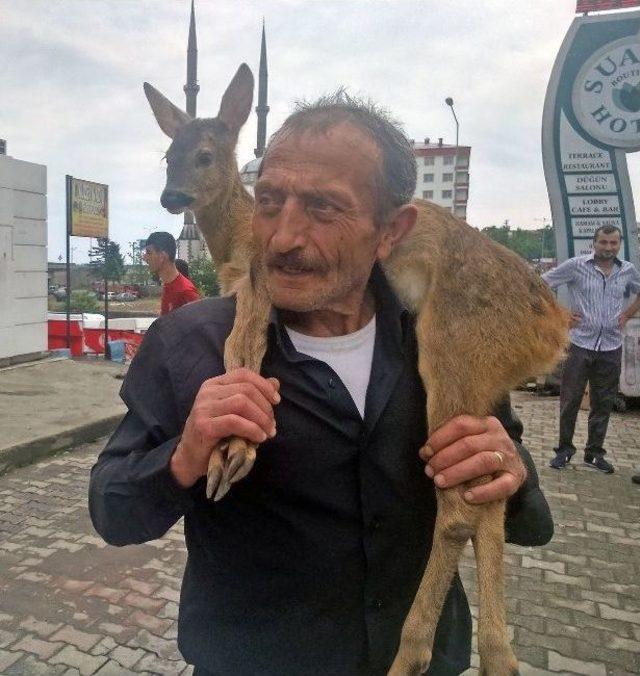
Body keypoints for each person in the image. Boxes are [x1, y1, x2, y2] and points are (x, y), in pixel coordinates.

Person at [89, 94, 553, 676]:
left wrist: (511, 472)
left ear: (392, 230)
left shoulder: (441, 340)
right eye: (269, 202)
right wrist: (183, 457)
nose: (283, 237)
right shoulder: (191, 344)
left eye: (323, 208)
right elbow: (112, 510)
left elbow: (532, 523)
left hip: (427, 660)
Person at [543, 225, 640, 474]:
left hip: (611, 346)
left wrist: (627, 314)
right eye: (604, 243)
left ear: (619, 245)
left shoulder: (627, 270)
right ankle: (564, 450)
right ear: (594, 243)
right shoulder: (576, 266)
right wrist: (560, 314)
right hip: (580, 344)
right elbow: (542, 283)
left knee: (603, 402)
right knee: (570, 400)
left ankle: (594, 453)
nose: (608, 248)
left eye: (613, 243)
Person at [142, 232, 200, 315]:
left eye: (149, 253)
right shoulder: (168, 285)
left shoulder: (186, 292)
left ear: (162, 256)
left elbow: (200, 326)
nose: (144, 257)